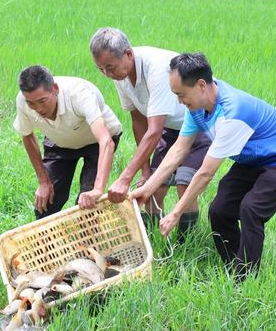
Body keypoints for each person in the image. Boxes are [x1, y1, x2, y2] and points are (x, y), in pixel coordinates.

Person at [129, 53, 276, 280]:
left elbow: (205, 173)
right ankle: (235, 267)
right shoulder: (197, 107)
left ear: (201, 85)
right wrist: (147, 189)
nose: (178, 101)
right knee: (219, 210)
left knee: (251, 209)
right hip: (252, 158)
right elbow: (178, 150)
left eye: (181, 94)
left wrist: (175, 213)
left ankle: (245, 281)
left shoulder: (232, 113)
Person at [89, 27, 212, 244]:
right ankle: (153, 244)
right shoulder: (121, 75)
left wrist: (125, 178)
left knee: (185, 184)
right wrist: (144, 171)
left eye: (110, 67)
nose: (107, 74)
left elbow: (154, 131)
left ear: (128, 54)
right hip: (169, 128)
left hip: (198, 121)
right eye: (101, 69)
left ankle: (185, 245)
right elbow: (139, 122)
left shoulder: (157, 68)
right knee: (153, 190)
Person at [13, 65, 123, 219]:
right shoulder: (23, 100)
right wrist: (43, 181)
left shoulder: (80, 94)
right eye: (32, 103)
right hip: (60, 141)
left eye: (42, 101)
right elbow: (27, 135)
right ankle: (49, 243)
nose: (38, 108)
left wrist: (98, 189)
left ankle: (88, 242)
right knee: (45, 203)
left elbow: (106, 141)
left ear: (55, 89)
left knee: (86, 204)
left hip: (96, 142)